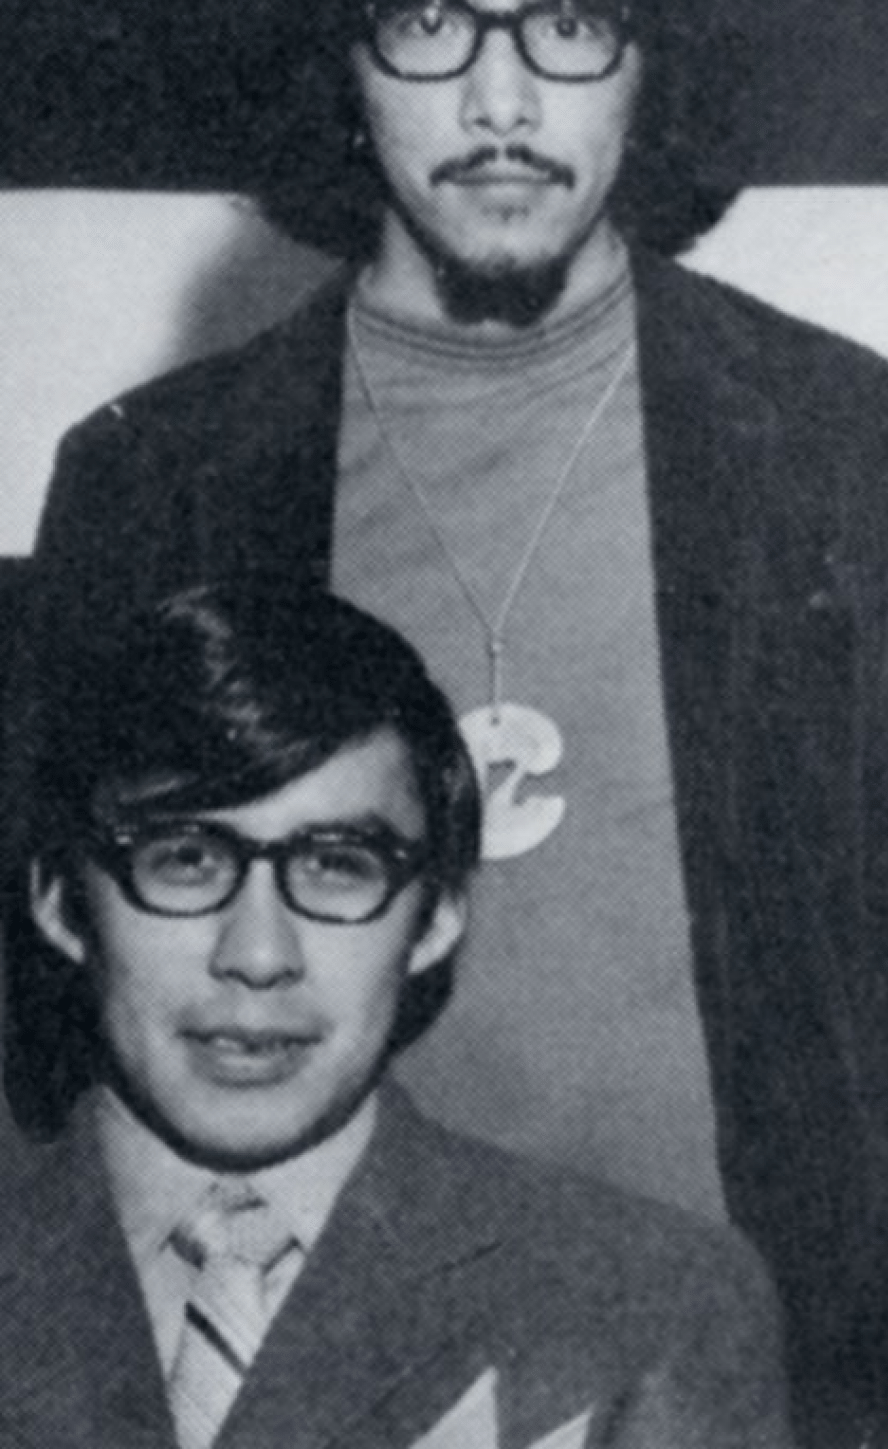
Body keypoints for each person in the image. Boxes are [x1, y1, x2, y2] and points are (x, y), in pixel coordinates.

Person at [10, 0, 888, 1439]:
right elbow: (59, 1012)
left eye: (571, 22)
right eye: (433, 20)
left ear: (649, 64)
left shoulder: (828, 436)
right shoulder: (155, 479)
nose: (505, 95)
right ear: (350, 60)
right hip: (298, 1361)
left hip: (761, 1362)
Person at [2, 584, 794, 1449]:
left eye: (338, 864)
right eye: (185, 859)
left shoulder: (646, 1303)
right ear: (60, 902)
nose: (260, 954)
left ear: (437, 917)